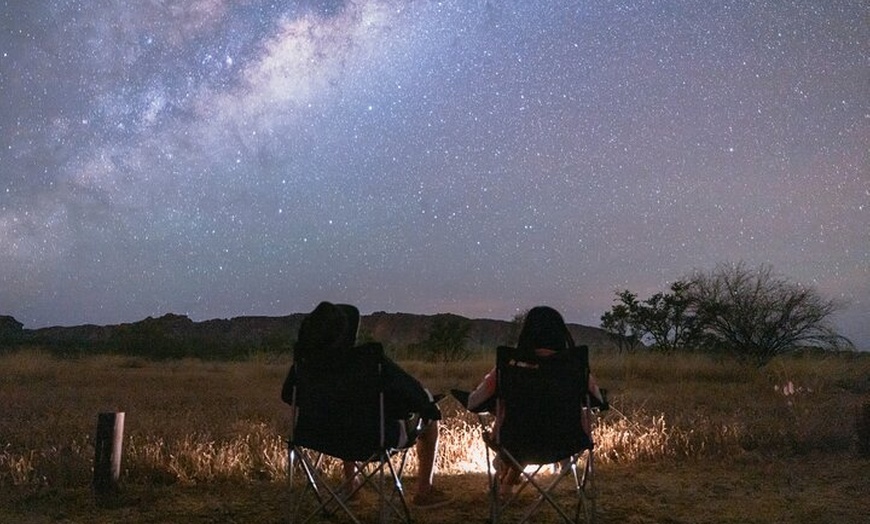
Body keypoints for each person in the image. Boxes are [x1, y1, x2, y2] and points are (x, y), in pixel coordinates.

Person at [281, 301, 452, 509]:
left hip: (317, 436)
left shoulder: (304, 365)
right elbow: (416, 396)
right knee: (429, 421)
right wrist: (429, 406)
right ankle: (424, 491)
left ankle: (351, 486)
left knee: (344, 415)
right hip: (370, 440)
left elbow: (288, 396)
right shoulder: (369, 361)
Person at [466, 305, 606, 496]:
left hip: (515, 443)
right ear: (561, 334)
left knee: (520, 421)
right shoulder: (575, 370)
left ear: (526, 334)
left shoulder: (509, 368)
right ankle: (508, 480)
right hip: (566, 443)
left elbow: (473, 403)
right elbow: (598, 400)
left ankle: (505, 479)